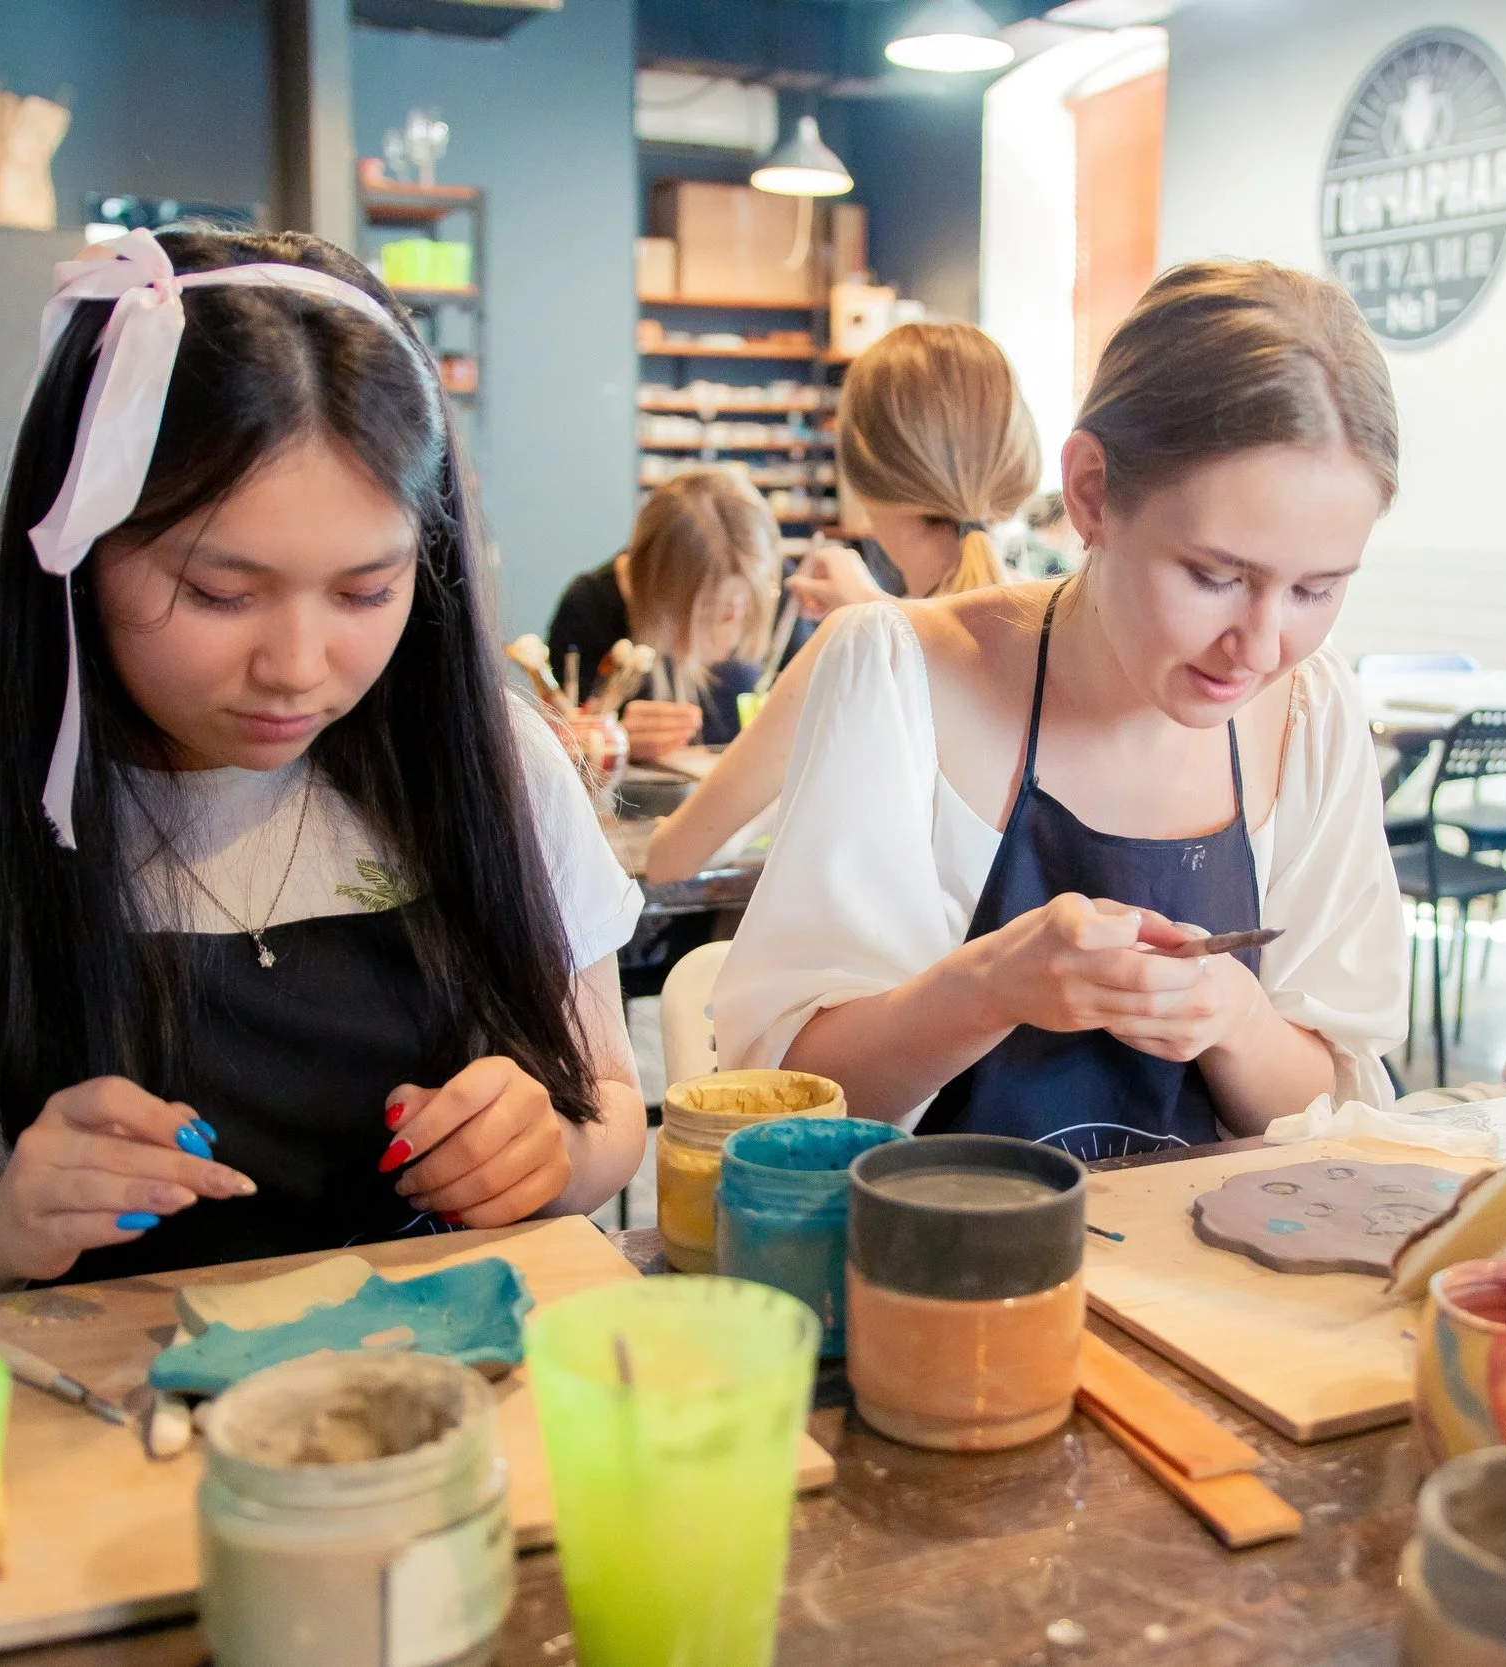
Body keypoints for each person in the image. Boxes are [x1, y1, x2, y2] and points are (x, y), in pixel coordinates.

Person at [0, 229, 647, 1339]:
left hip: (431, 1416)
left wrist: (552, 1153)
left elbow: (614, 1110)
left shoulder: (490, 761)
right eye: (218, 592)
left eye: (365, 590)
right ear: (77, 550)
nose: (298, 667)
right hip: (79, 1460)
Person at [712, 261, 1408, 1159]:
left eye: (1316, 590)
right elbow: (783, 1106)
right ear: (1090, 493)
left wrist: (1236, 1017)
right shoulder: (901, 675)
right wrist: (989, 986)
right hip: (933, 1273)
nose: (1262, 645)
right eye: (1215, 577)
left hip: (1195, 1285)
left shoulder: (1312, 716)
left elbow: (1335, 1111)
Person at [643, 320, 1040, 885]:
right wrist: (881, 608)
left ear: (860, 474)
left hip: (896, 977)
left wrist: (872, 619)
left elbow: (672, 859)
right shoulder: (1067, 632)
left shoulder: (859, 645)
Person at [544, 467, 779, 761]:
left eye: (743, 603)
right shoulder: (589, 608)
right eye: (708, 610)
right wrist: (614, 740)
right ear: (657, 589)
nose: (733, 618)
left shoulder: (779, 595)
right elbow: (561, 750)